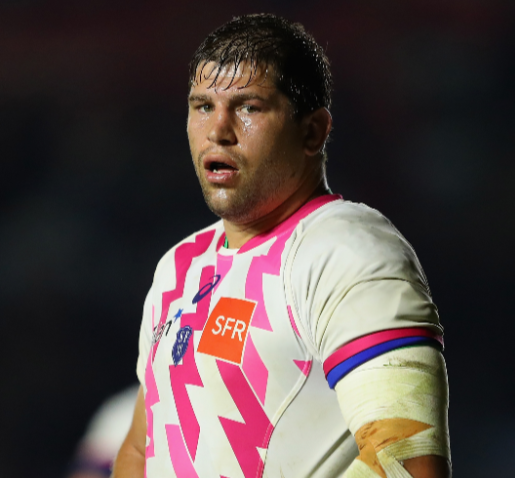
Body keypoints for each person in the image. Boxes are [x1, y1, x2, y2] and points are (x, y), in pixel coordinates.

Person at [112, 13, 451, 478]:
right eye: (202, 105)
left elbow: (408, 458)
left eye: (248, 107)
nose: (219, 129)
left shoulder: (346, 251)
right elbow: (138, 451)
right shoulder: (179, 267)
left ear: (312, 131)